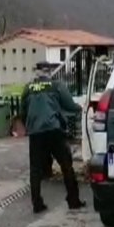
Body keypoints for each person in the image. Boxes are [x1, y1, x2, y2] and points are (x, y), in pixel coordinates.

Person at [20, 61, 86, 213]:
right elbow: (69, 105)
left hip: (36, 133)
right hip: (54, 130)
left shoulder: (28, 88)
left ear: (36, 72)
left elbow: (23, 111)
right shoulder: (56, 85)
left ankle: (37, 203)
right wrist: (81, 108)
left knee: (35, 169)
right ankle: (73, 200)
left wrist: (29, 126)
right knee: (66, 165)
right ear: (49, 72)